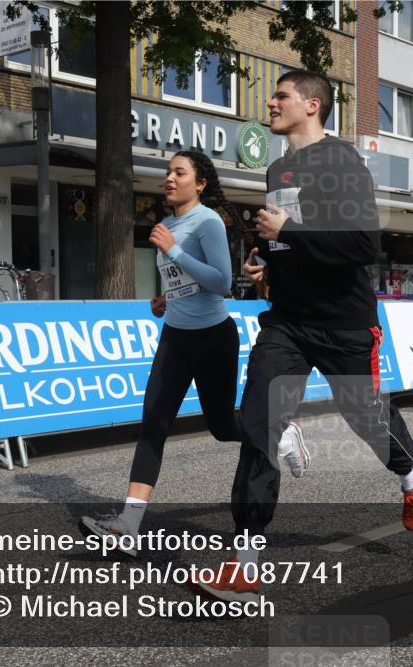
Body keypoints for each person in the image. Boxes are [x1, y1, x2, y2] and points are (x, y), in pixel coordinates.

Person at [191, 70, 413, 603]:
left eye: (281, 95)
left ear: (313, 105)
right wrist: (267, 262)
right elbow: (288, 238)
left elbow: (363, 244)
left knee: (365, 417)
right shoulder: (278, 167)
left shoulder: (342, 162)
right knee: (260, 422)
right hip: (289, 321)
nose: (270, 102)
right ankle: (245, 562)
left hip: (345, 323)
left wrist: (289, 235)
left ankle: (411, 473)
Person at [80, 151, 308, 555]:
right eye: (167, 172)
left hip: (213, 338)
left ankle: (283, 435)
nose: (169, 178)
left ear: (199, 183)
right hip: (175, 337)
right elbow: (184, 280)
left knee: (222, 427)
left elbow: (221, 282)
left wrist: (175, 252)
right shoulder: (166, 225)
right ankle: (129, 524)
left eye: (179, 172)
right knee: (153, 423)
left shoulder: (207, 223)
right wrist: (166, 298)